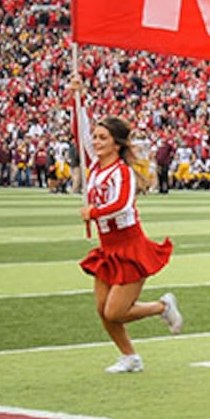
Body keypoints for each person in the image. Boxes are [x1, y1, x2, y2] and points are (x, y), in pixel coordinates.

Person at [78, 113, 183, 373]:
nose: (96, 142)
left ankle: (162, 307)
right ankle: (130, 357)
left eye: (103, 138)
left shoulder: (122, 172)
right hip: (107, 247)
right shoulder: (94, 168)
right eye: (95, 137)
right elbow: (80, 133)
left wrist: (94, 212)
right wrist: (75, 98)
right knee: (103, 311)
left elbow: (121, 204)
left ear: (117, 144)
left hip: (129, 245)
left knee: (115, 312)